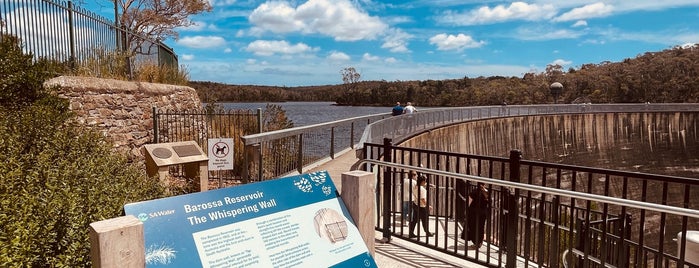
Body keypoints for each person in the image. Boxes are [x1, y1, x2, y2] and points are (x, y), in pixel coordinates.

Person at [461, 182, 490, 250]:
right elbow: (489, 200)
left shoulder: (475, 191)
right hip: (482, 213)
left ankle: (476, 243)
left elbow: (469, 201)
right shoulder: (486, 192)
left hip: (474, 212)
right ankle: (479, 242)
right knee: (480, 227)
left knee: (473, 227)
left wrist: (466, 210)